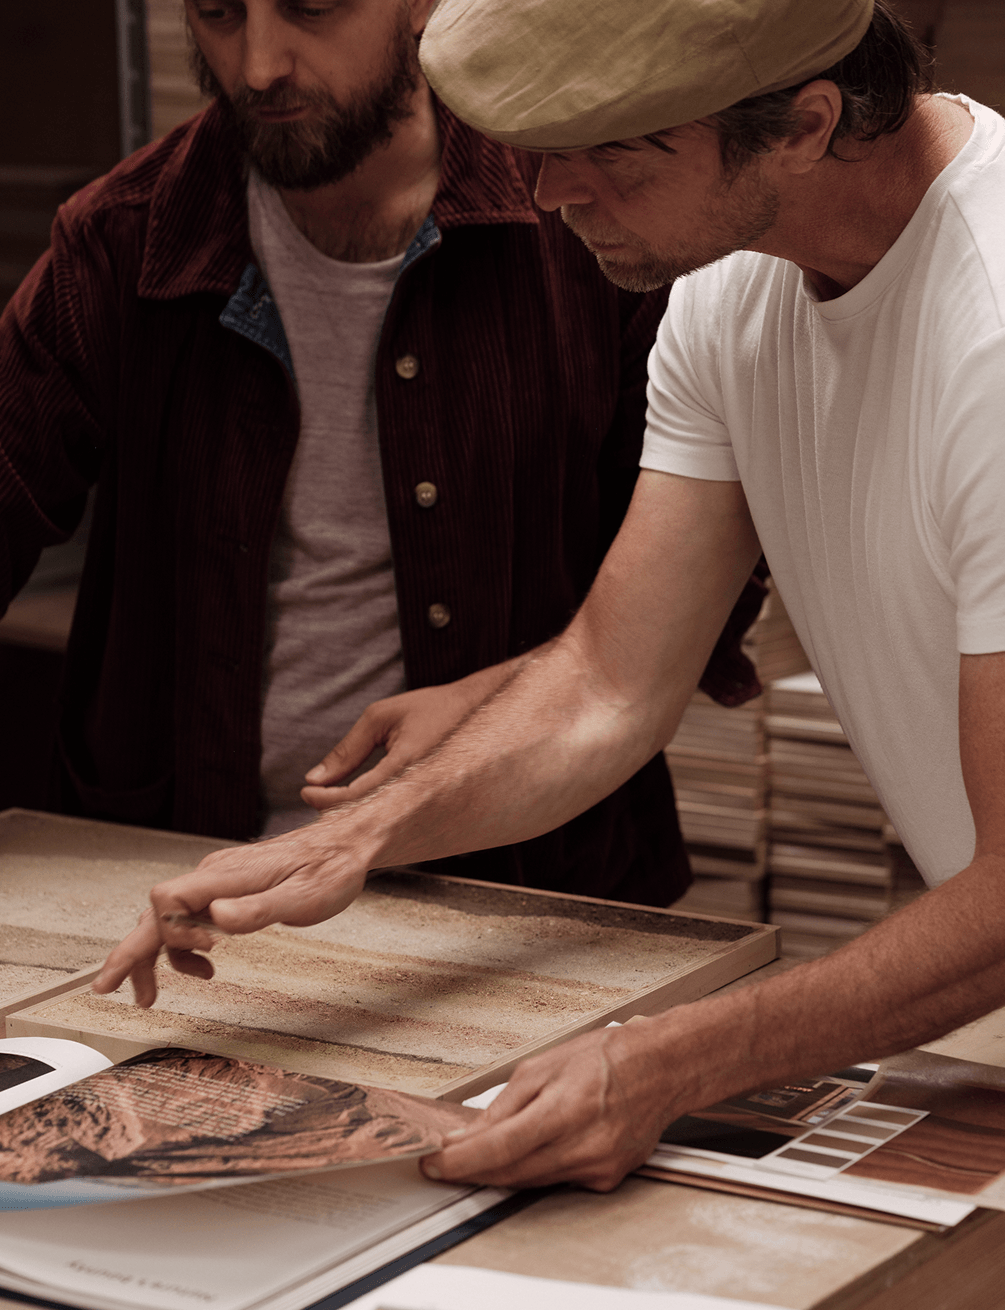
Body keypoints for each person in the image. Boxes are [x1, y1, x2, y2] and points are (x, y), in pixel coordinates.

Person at [96, 0, 1005, 1207]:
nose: (550, 189)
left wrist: (669, 1059)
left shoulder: (991, 325)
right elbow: (609, 681)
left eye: (614, 149)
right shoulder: (733, 293)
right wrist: (349, 838)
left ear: (802, 125)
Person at [0, 0, 764, 906]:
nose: (259, 65)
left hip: (533, 890)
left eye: (312, 6)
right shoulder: (120, 241)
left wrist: (503, 701)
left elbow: (701, 595)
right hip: (189, 882)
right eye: (218, 12)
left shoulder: (587, 215)